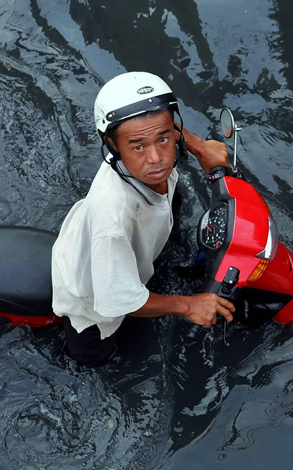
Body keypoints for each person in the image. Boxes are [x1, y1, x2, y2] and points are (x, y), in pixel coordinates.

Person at [51, 71, 235, 366]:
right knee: (93, 361)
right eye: (138, 146)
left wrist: (200, 147)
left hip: (125, 249)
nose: (156, 158)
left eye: (164, 139)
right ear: (111, 144)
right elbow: (117, 300)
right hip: (94, 306)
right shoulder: (111, 218)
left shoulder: (148, 152)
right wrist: (188, 305)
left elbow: (157, 125)